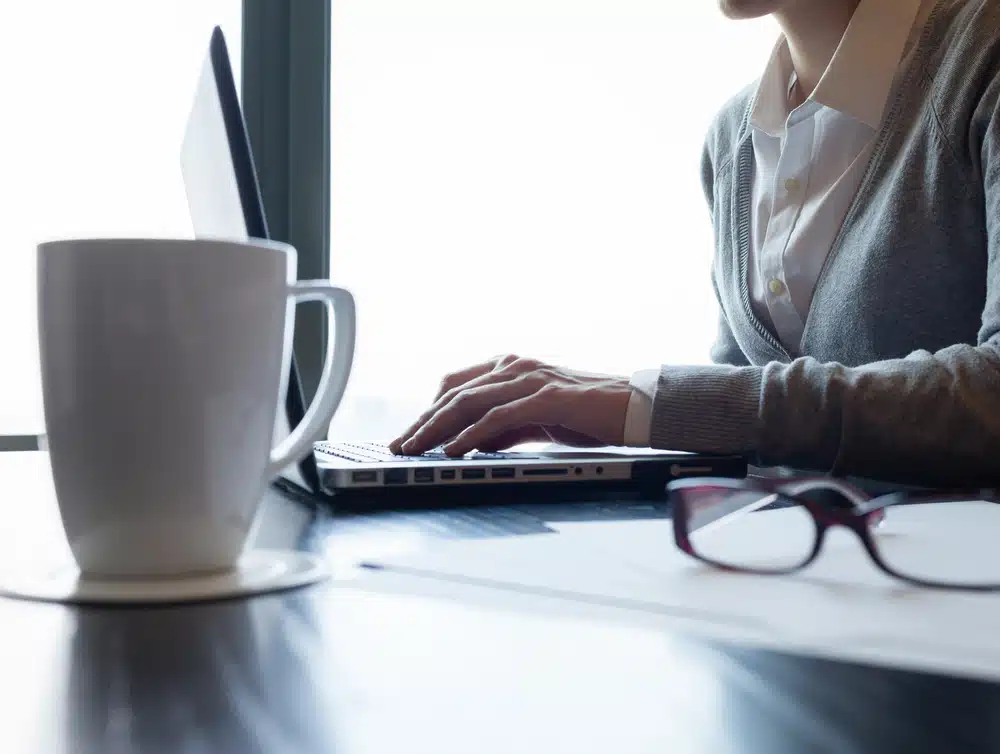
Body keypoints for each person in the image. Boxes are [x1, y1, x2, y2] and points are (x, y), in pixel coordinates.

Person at [391, 0, 1000, 487]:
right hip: (802, 581)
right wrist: (605, 432)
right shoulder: (734, 136)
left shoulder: (983, 57)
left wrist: (647, 404)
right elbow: (754, 417)